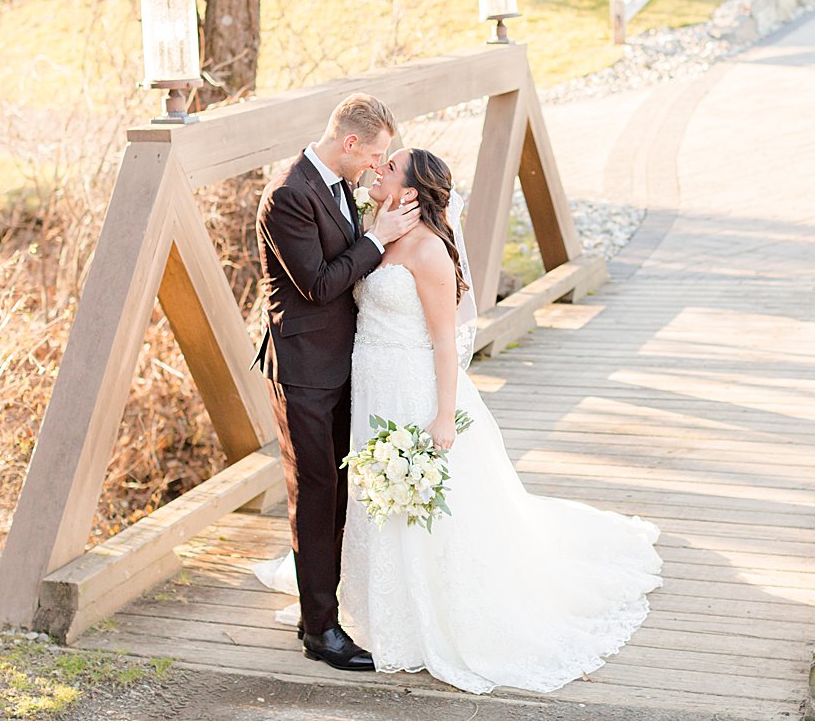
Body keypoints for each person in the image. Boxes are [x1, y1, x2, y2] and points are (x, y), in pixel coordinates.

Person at [259, 147, 662, 694]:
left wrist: (444, 414)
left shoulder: (428, 251)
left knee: (424, 501)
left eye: (390, 166)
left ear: (409, 190)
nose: (378, 170)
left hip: (412, 386)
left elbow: (445, 342)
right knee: (377, 497)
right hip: (371, 384)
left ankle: (436, 611)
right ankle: (376, 603)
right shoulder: (375, 228)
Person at [253, 94, 420, 671]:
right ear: (349, 143)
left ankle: (329, 609)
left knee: (342, 491)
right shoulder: (287, 195)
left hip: (347, 361)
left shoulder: (337, 183)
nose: (380, 165)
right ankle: (319, 631)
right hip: (302, 370)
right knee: (316, 494)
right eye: (375, 154)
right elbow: (319, 285)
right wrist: (377, 238)